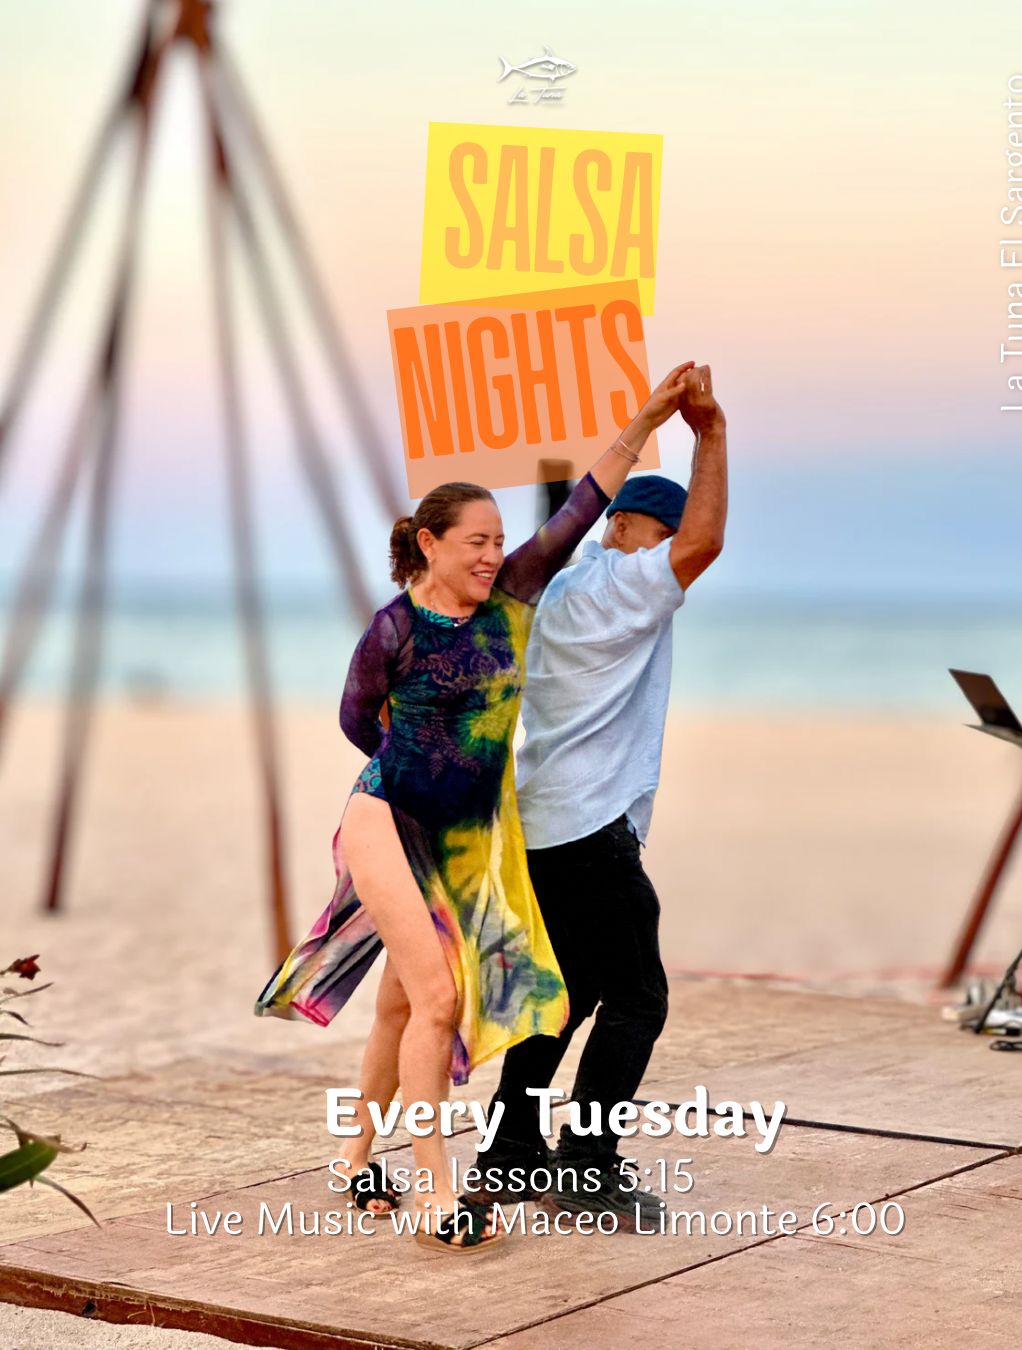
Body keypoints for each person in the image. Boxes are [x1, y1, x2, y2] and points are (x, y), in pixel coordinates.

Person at [253, 361, 696, 1252]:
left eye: (498, 540)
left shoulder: (515, 597)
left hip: (468, 841)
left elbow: (583, 505)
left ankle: (353, 1161)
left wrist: (649, 417)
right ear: (429, 544)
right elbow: (356, 721)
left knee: (398, 1007)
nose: (493, 555)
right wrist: (422, 772)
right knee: (440, 998)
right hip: (388, 820)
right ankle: (435, 1196)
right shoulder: (393, 630)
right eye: (475, 542)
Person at [478, 364, 728, 1229]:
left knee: (564, 992)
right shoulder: (624, 587)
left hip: (541, 820)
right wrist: (709, 432)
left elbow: (569, 511)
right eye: (662, 535)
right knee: (637, 999)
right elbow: (704, 542)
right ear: (626, 527)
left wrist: (600, 444)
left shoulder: (557, 585)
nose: (672, 554)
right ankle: (586, 1167)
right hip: (589, 827)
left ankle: (509, 1153)